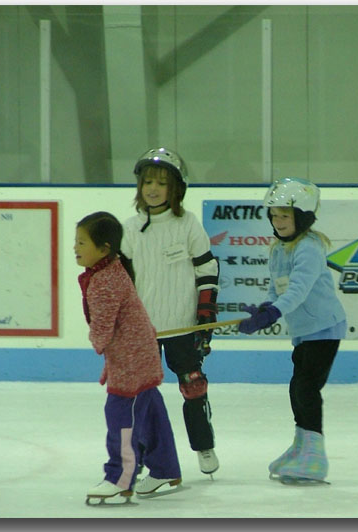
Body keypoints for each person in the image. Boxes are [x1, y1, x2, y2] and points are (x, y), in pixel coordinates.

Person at [238, 177, 347, 483]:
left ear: (302, 216)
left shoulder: (309, 249)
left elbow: (297, 291)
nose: (278, 221)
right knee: (297, 388)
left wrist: (273, 313)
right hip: (305, 331)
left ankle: (315, 457)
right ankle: (302, 447)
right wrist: (263, 310)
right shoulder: (278, 250)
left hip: (325, 328)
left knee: (306, 388)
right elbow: (277, 289)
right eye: (274, 215)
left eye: (285, 215)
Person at [121, 148, 221, 476]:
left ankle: (204, 445)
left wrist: (205, 316)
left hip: (182, 325)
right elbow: (121, 282)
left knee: (193, 386)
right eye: (147, 182)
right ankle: (143, 454)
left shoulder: (188, 224)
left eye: (161, 183)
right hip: (144, 330)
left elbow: (207, 271)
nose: (152, 188)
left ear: (176, 188)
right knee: (141, 396)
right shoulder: (131, 230)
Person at [76, 212, 182, 503]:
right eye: (76, 241)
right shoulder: (111, 269)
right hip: (140, 353)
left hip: (131, 360)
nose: (76, 247)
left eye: (82, 242)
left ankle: (120, 478)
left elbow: (103, 325)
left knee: (121, 414)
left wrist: (98, 344)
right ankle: (164, 468)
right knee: (149, 412)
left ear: (104, 248)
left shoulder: (104, 281)